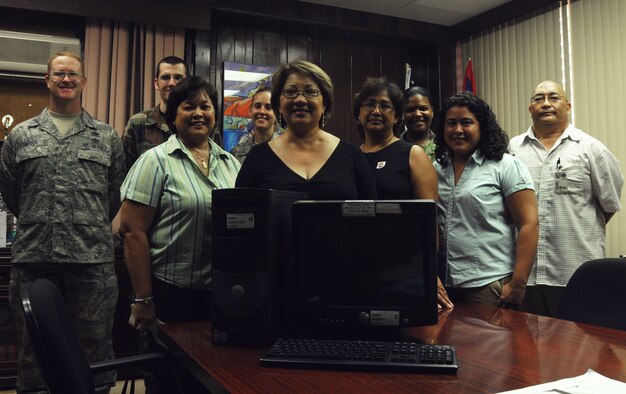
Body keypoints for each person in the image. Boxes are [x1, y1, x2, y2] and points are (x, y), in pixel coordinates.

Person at [0, 51, 125, 393]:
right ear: (47, 81)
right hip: (34, 261)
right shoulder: (21, 137)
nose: (66, 79)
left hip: (91, 264)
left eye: (73, 74)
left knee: (95, 353)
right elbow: (12, 194)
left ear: (84, 82)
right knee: (34, 353)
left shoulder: (107, 137)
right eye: (59, 74)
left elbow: (112, 197)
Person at [120, 76, 240, 393]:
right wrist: (143, 299)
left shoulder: (232, 165)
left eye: (205, 106)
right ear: (174, 116)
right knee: (172, 382)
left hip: (219, 298)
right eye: (189, 106)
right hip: (170, 296)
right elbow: (132, 232)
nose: (198, 113)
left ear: (215, 114)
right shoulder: (155, 161)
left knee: (214, 381)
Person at [509, 80, 623, 316]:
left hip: (574, 273)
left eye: (553, 97)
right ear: (530, 109)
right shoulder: (512, 150)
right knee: (526, 350)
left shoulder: (591, 149)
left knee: (576, 350)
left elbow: (609, 206)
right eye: (538, 99)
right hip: (524, 277)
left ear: (568, 106)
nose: (546, 104)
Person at [353, 76, 453, 309]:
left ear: (396, 116)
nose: (376, 111)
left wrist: (428, 271)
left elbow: (429, 221)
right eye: (369, 104)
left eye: (385, 105)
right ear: (359, 113)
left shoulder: (413, 154)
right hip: (359, 265)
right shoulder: (349, 156)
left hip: (405, 268)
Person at [435, 93, 538, 308]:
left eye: (466, 123)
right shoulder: (436, 169)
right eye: (451, 123)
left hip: (488, 285)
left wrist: (518, 284)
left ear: (482, 126)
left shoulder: (505, 165)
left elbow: (529, 224)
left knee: (491, 343)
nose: (458, 130)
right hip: (444, 286)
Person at [236, 60, 376, 200]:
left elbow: (372, 216)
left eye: (310, 92)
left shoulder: (352, 155)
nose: (300, 100)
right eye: (290, 92)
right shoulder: (258, 156)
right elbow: (239, 214)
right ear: (279, 104)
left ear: (325, 104)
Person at [122, 56, 189, 172]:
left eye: (178, 77)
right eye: (165, 77)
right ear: (156, 83)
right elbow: (123, 172)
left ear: (187, 83)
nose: (172, 83)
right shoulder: (138, 123)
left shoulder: (200, 123)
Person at [231, 86, 281, 163]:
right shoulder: (236, 154)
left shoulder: (287, 152)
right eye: (257, 106)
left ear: (276, 113)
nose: (262, 111)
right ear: (250, 111)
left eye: (268, 107)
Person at [401, 86, 436, 161]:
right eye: (410, 110)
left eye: (423, 109)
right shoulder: (394, 147)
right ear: (402, 114)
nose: (417, 114)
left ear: (432, 112)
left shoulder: (444, 146)